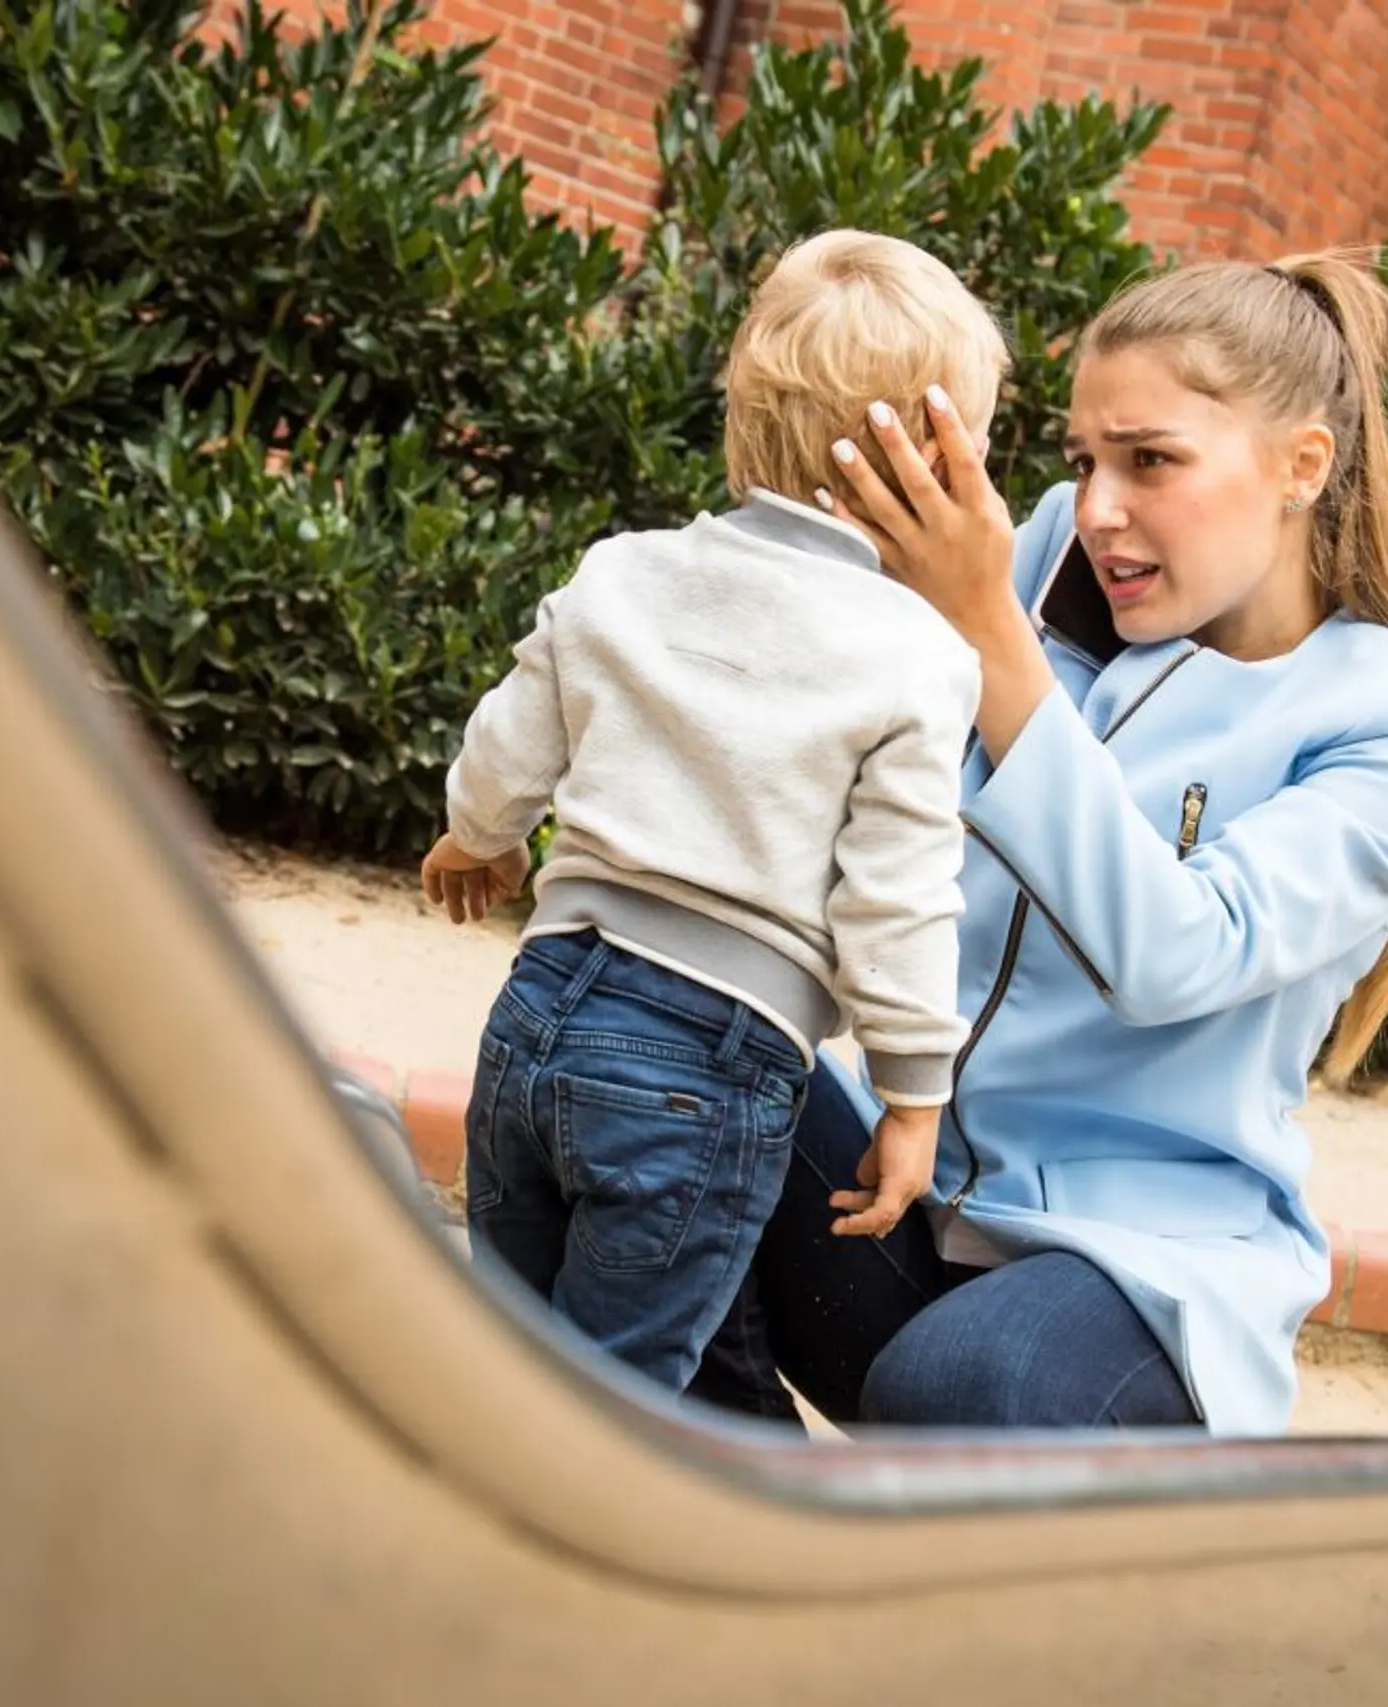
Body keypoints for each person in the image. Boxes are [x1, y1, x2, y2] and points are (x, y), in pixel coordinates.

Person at [692, 248, 1388, 1436]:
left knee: (961, 1383)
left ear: (1301, 466)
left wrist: (995, 647)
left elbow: (1179, 955)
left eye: (1151, 460)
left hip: (1139, 1275)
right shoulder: (1038, 566)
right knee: (650, 1084)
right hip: (907, 1196)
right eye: (1083, 462)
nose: (1098, 506)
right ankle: (745, 1539)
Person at [418, 230, 1003, 1392]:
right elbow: (894, 894)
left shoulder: (623, 570)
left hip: (534, 1016)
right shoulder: (917, 657)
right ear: (928, 462)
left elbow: (511, 735)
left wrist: (474, 834)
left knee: (508, 1365)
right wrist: (911, 1095)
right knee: (621, 1403)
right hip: (702, 1059)